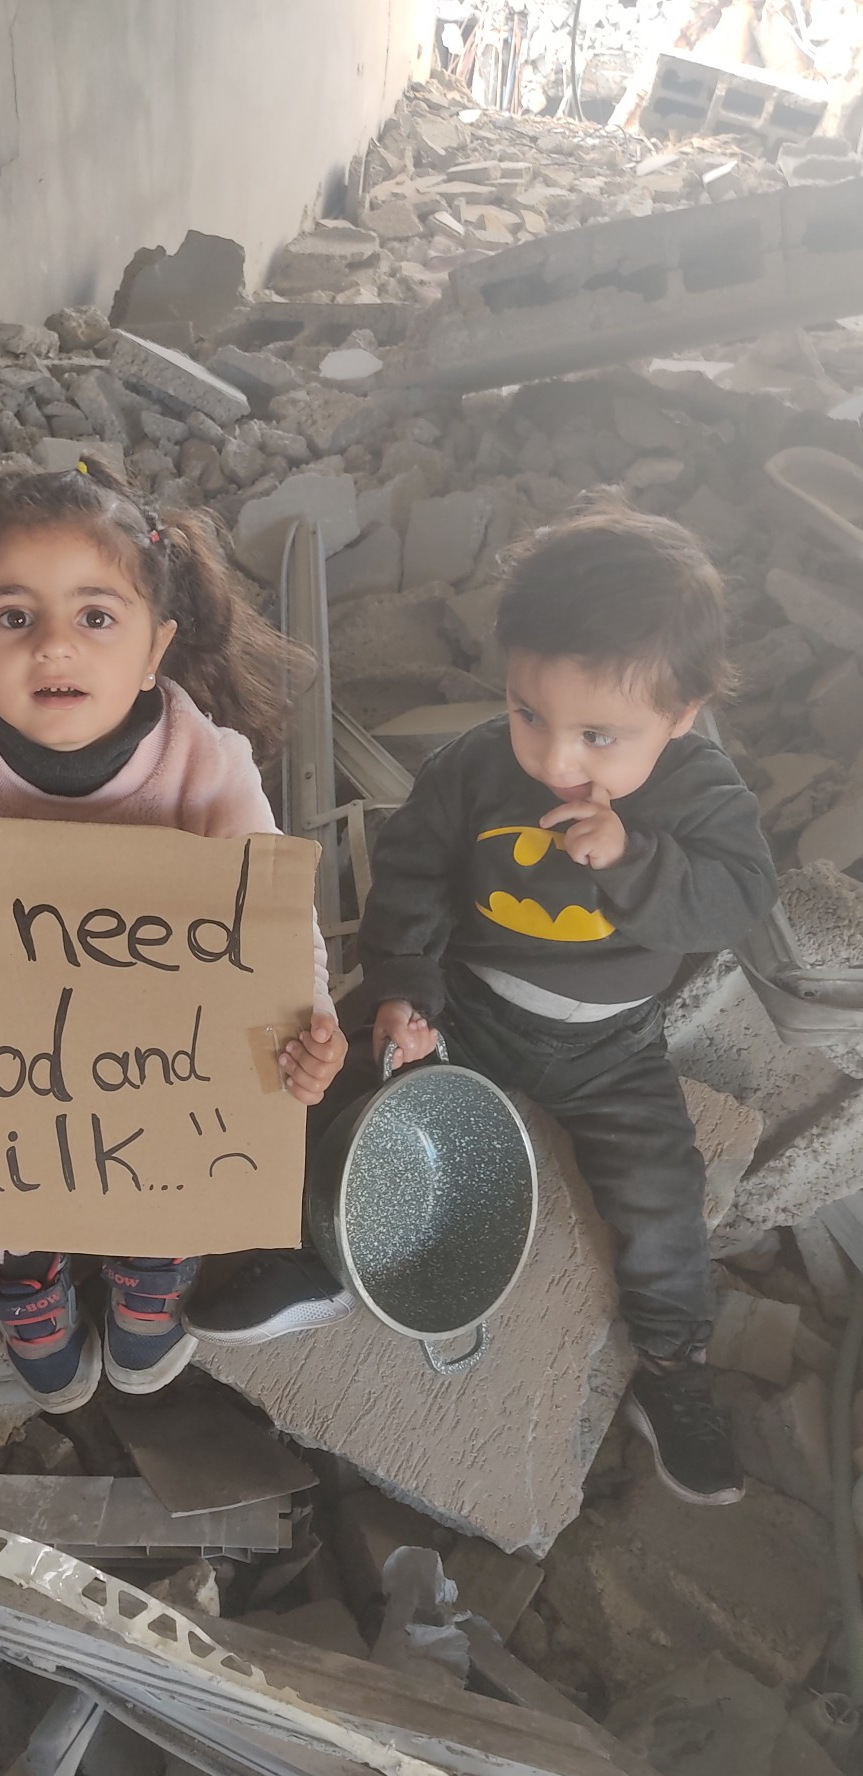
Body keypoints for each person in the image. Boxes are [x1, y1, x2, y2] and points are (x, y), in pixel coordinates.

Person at [186, 505, 778, 1506]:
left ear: (681, 716)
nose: (556, 759)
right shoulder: (473, 767)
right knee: (331, 1081)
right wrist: (403, 993)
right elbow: (411, 878)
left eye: (599, 736)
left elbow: (739, 899)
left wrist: (634, 858)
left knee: (660, 1194)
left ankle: (673, 1368)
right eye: (528, 712)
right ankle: (317, 1256)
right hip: (467, 1000)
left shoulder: (698, 795)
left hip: (611, 1048)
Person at [0, 463, 346, 1410]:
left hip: (166, 1063)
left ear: (157, 643)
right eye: (14, 616)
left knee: (169, 1169)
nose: (54, 645)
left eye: (95, 616)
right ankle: (26, 1269)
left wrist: (309, 1022)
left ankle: (152, 1268)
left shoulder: (207, 767)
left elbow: (277, 931)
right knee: (4, 1160)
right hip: (0, 1073)